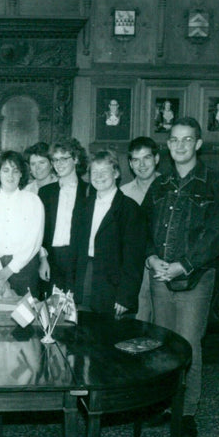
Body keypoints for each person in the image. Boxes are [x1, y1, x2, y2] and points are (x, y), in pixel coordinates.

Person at [142, 117, 219, 437]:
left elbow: (217, 235)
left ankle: (187, 411)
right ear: (168, 146)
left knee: (189, 344)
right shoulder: (159, 184)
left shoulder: (214, 183)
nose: (180, 145)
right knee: (163, 343)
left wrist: (184, 264)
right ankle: (166, 405)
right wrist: (152, 257)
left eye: (187, 140)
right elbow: (145, 227)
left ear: (198, 144)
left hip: (195, 278)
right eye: (174, 140)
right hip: (160, 276)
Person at [73, 151, 145, 315]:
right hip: (85, 276)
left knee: (108, 335)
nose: (99, 176)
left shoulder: (130, 209)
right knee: (82, 331)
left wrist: (125, 296)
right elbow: (75, 249)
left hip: (113, 284)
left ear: (116, 173)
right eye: (94, 172)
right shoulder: (84, 205)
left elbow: (134, 258)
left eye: (104, 171)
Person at [0, 150, 45, 297]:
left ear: (21, 174)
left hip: (24, 268)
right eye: (6, 170)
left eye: (15, 171)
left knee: (27, 316)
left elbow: (34, 240)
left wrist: (10, 269)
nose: (10, 175)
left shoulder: (33, 201)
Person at [38, 138, 89, 293]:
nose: (58, 164)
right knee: (52, 309)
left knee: (76, 310)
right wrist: (43, 259)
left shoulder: (89, 191)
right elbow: (40, 231)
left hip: (79, 259)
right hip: (52, 258)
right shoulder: (46, 192)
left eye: (64, 159)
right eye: (55, 160)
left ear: (76, 159)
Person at [122, 137, 162, 322]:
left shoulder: (170, 187)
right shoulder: (122, 194)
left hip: (163, 268)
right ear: (130, 163)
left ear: (157, 158)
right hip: (135, 272)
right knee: (139, 325)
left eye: (146, 158)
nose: (142, 164)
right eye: (136, 160)